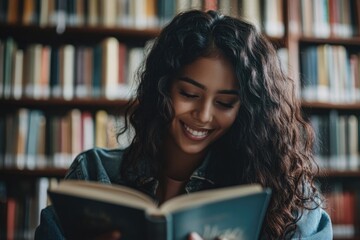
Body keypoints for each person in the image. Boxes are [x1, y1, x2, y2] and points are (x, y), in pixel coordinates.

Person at [35, 10, 332, 240]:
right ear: (162, 88)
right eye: (189, 94)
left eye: (225, 103)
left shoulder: (286, 194)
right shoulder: (93, 173)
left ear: (246, 109)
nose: (203, 115)